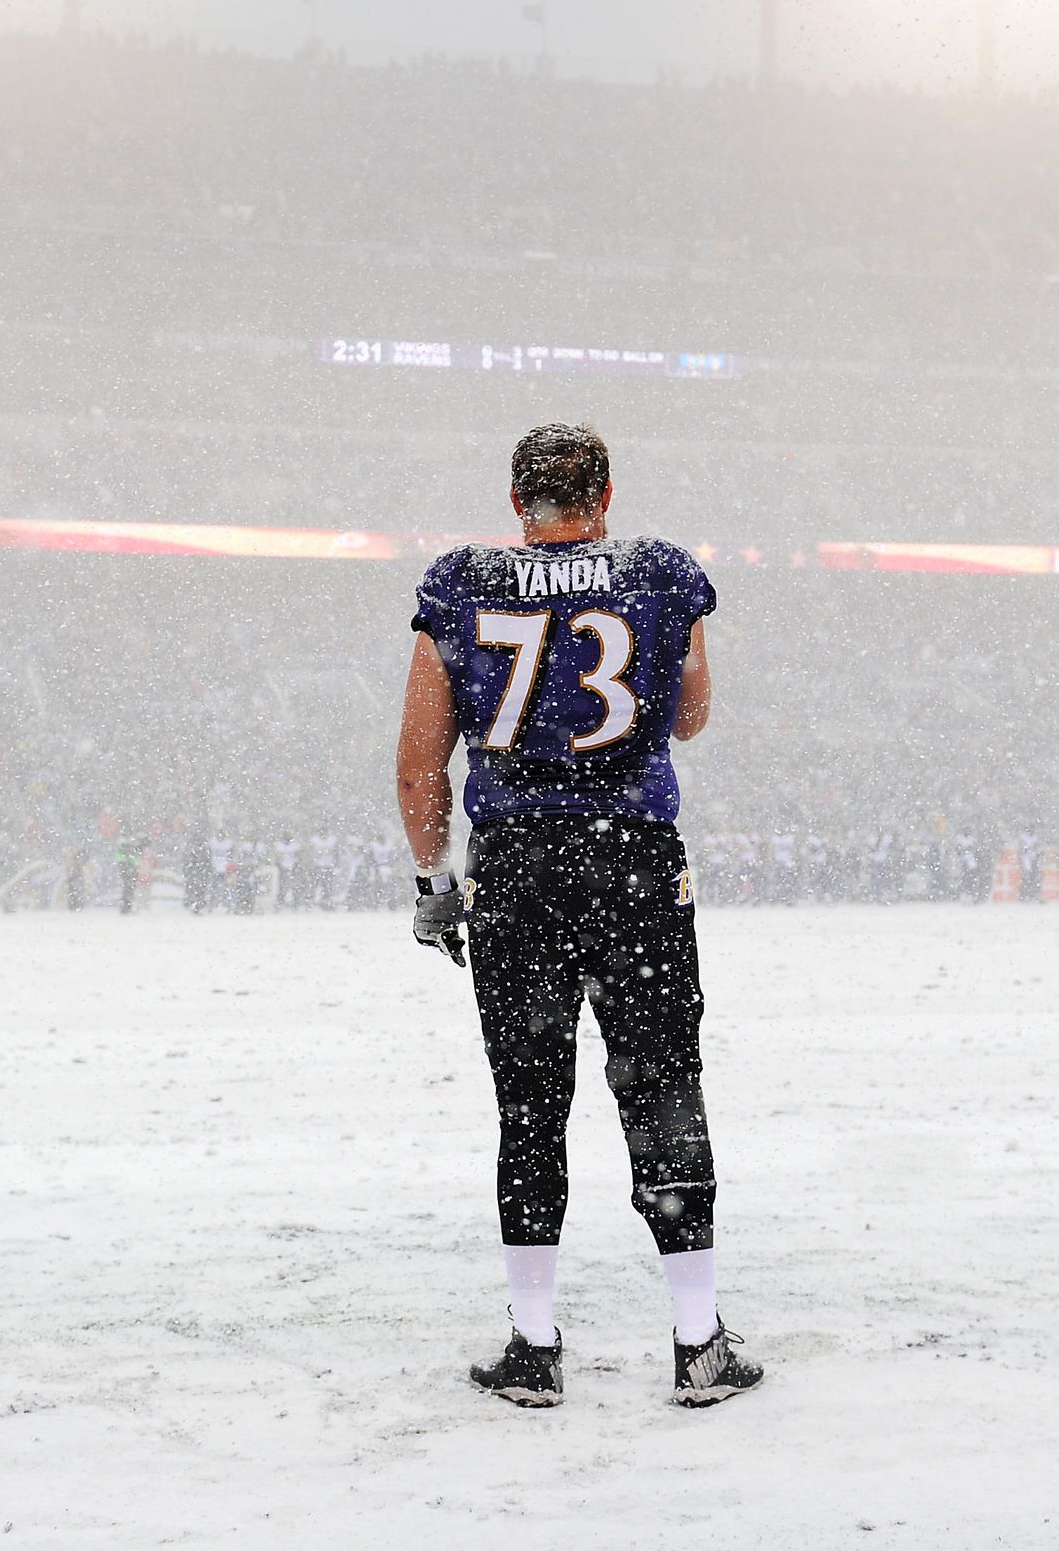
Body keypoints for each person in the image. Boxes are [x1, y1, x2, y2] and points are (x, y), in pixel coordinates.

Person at [395, 422, 764, 1409]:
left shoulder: (463, 581)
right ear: (603, 494)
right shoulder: (658, 573)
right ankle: (696, 1341)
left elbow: (418, 758)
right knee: (660, 1090)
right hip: (633, 860)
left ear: (516, 501)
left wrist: (435, 880)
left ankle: (533, 1344)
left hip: (516, 864)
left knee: (528, 1101)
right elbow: (686, 715)